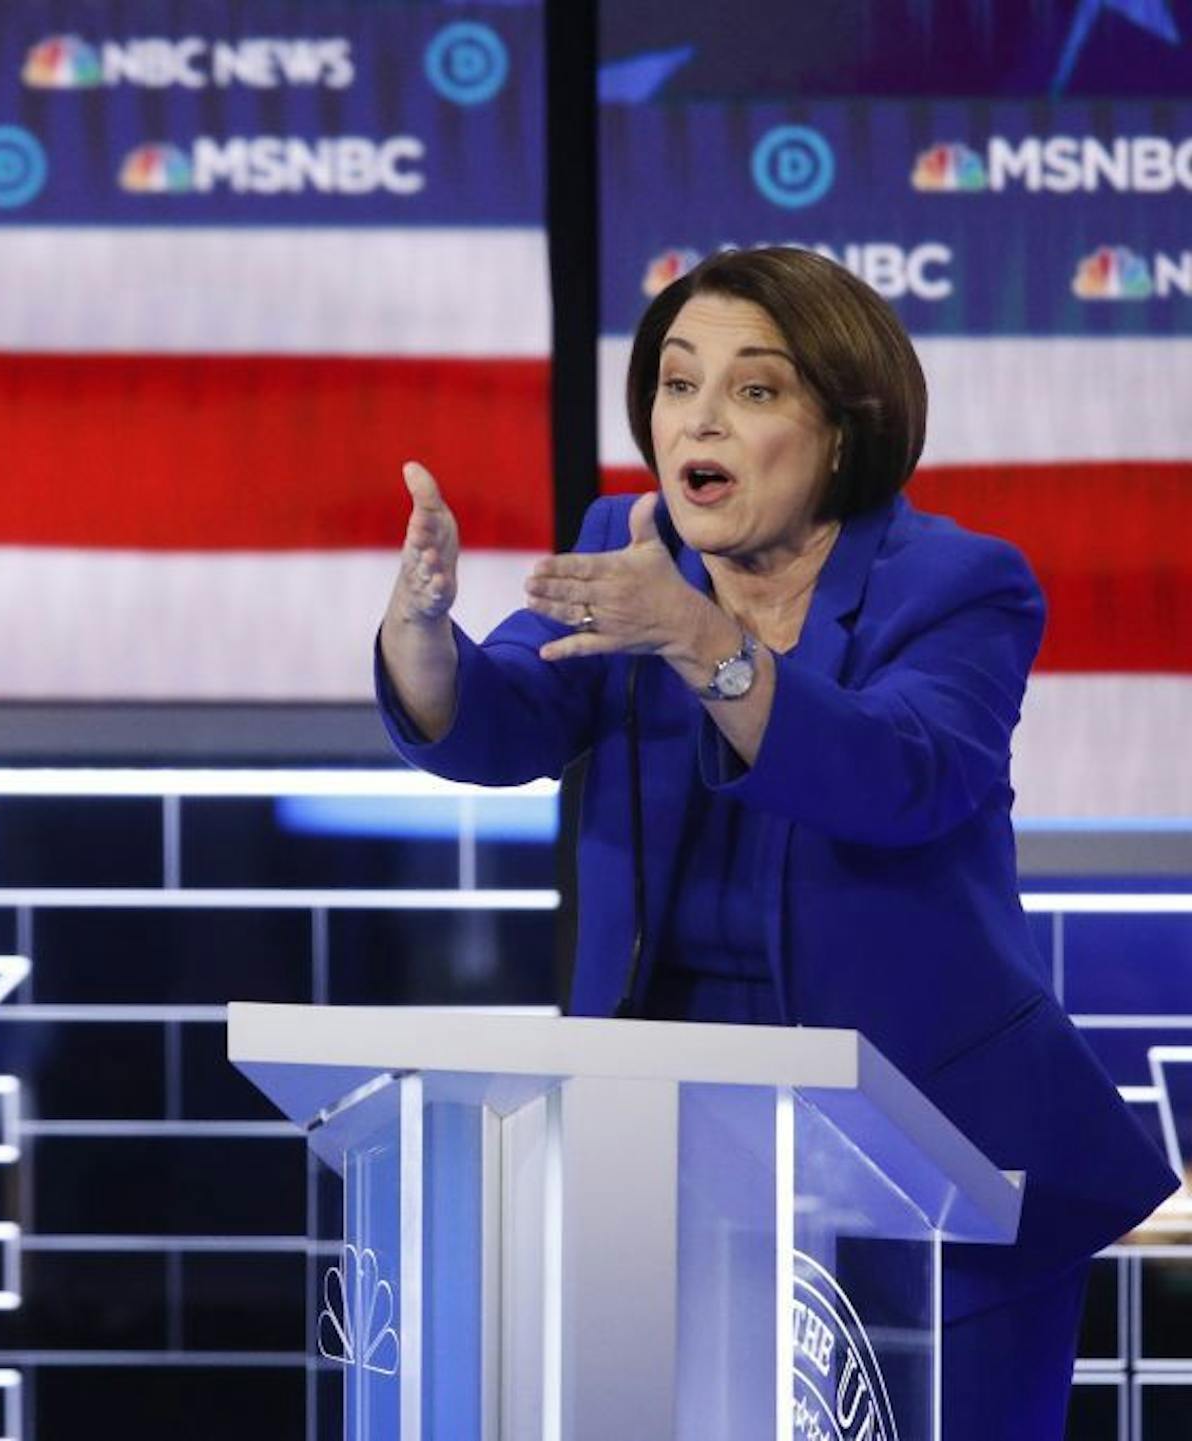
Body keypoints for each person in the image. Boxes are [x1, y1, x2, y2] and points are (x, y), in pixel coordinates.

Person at [376, 246, 1174, 1437]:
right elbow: (500, 717)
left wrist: (707, 644)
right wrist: (422, 633)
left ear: (842, 431)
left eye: (753, 391)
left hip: (937, 1160)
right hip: (668, 1142)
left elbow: (901, 775)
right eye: (678, 384)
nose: (701, 419)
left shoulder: (958, 585)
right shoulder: (635, 542)